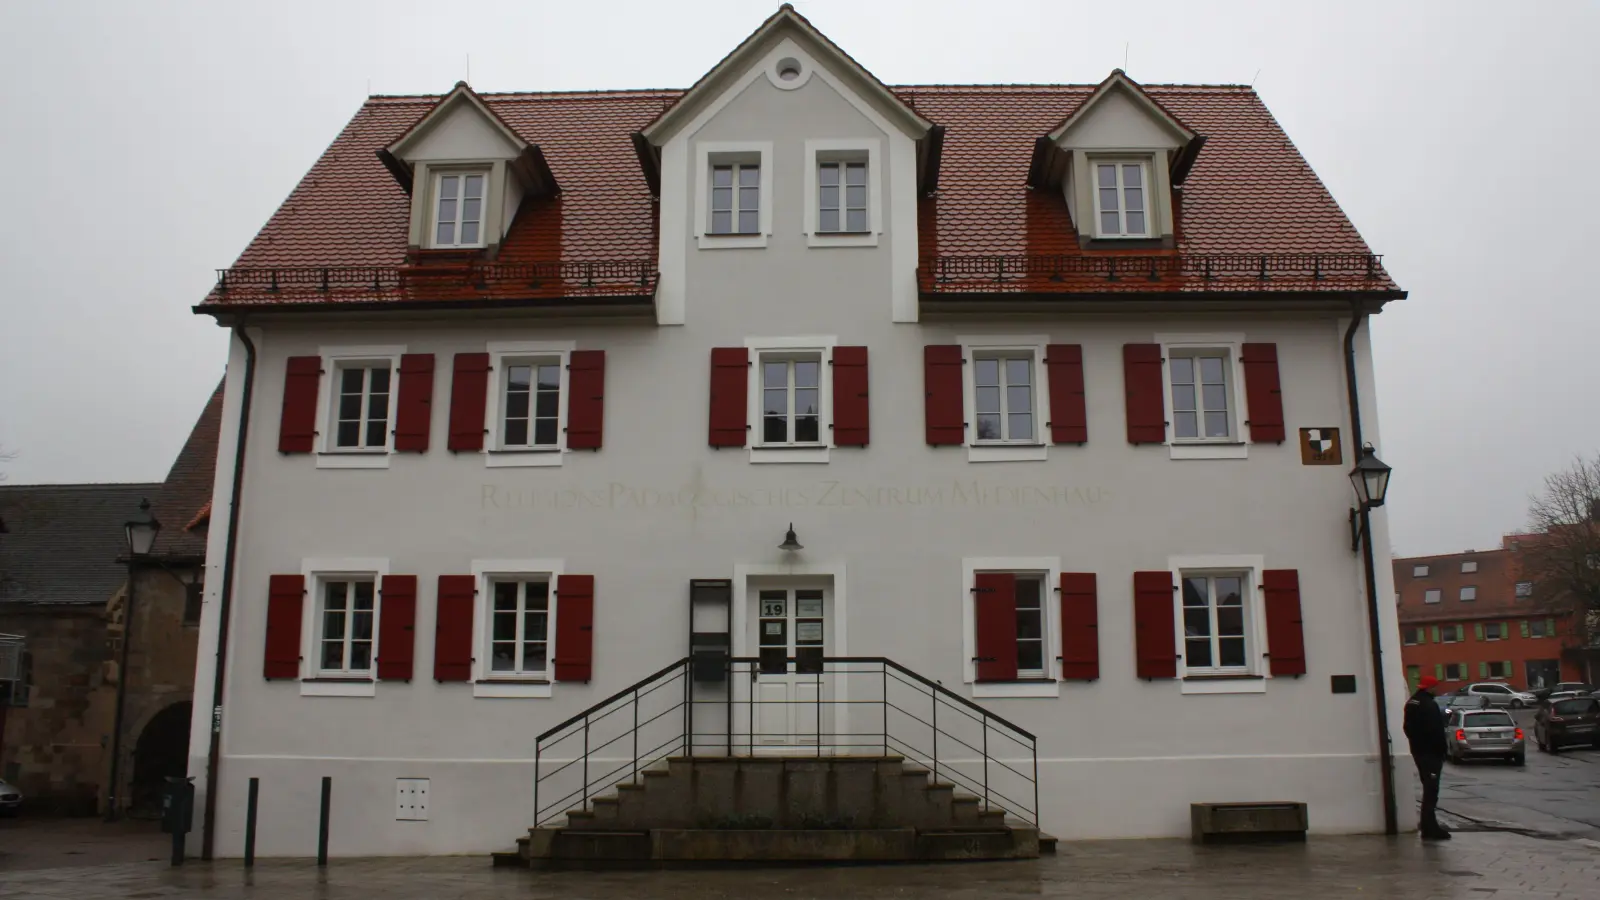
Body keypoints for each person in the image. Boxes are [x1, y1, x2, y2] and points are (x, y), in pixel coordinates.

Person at [1402, 675, 1451, 840]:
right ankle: (1430, 828)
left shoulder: (1412, 703)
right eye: (1436, 687)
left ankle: (1429, 826)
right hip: (1430, 754)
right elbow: (1436, 731)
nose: (1438, 690)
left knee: (1428, 789)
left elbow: (1408, 729)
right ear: (1430, 688)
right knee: (1431, 791)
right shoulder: (1428, 705)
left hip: (1419, 752)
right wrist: (1440, 751)